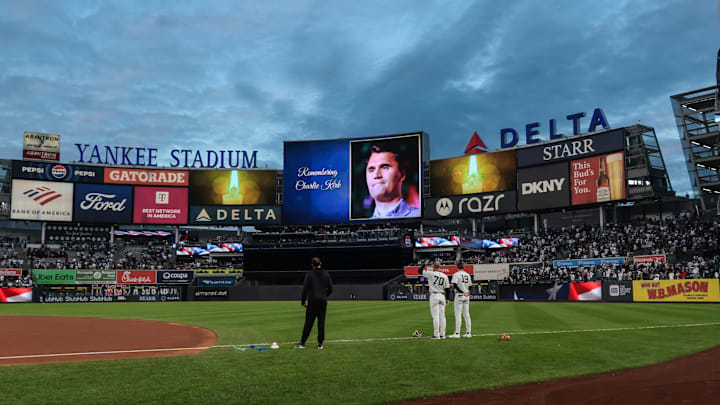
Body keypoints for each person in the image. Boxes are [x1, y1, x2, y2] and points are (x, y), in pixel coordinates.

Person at [365, 143, 420, 218]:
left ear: (402, 174)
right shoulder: (364, 224)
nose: (377, 175)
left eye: (384, 167)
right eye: (371, 170)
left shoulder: (418, 216)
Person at [295, 257, 334, 349]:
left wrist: (303, 301)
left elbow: (305, 289)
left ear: (312, 265)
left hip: (312, 301)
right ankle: (320, 344)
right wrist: (324, 295)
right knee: (321, 323)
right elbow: (331, 289)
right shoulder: (326, 274)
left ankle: (302, 343)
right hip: (323, 302)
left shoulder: (309, 274)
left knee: (308, 323)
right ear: (321, 263)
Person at [417, 259, 450, 339]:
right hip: (442, 296)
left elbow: (419, 271)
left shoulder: (431, 274)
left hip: (434, 295)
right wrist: (448, 299)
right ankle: (443, 334)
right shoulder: (445, 276)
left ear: (433, 267)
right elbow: (447, 289)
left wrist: (425, 264)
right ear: (440, 267)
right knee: (442, 316)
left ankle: (436, 334)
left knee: (435, 316)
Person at [449, 261, 472, 338]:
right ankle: (468, 333)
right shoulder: (467, 275)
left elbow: (455, 285)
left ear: (457, 267)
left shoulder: (456, 274)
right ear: (463, 267)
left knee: (458, 315)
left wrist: (462, 291)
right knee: (466, 314)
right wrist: (467, 292)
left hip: (459, 295)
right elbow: (470, 286)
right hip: (466, 295)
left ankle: (457, 333)